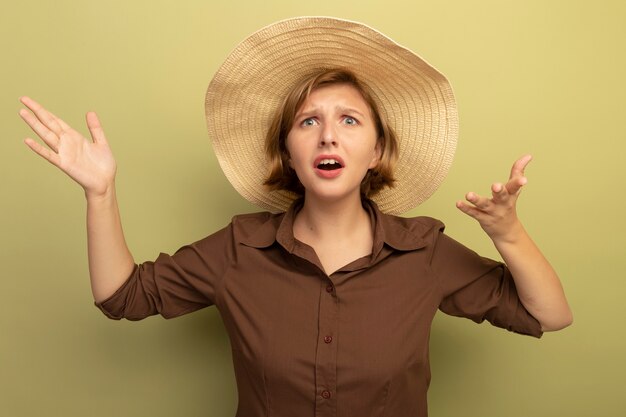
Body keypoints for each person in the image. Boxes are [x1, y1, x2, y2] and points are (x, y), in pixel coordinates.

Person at [19, 16, 571, 417]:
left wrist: (508, 233)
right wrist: (101, 193)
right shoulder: (239, 248)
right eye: (308, 122)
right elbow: (123, 296)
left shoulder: (423, 251)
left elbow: (550, 315)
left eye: (350, 120)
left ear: (378, 151)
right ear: (288, 152)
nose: (329, 133)